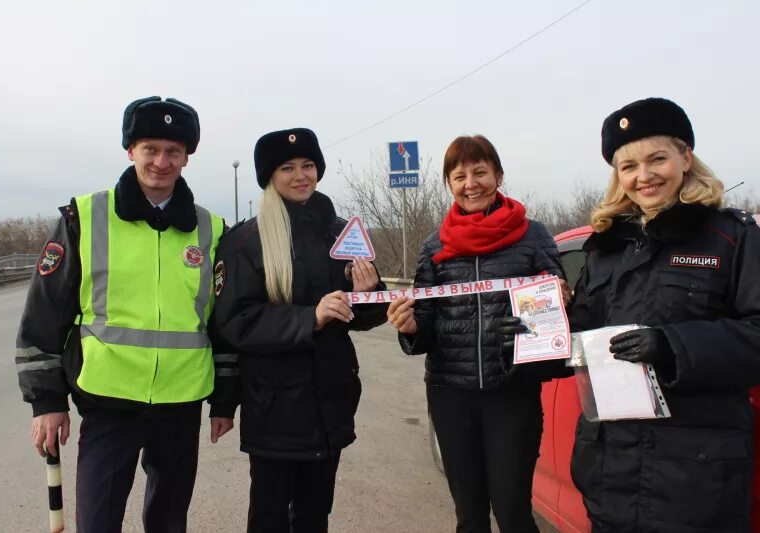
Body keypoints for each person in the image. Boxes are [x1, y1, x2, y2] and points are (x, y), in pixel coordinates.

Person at [15, 96, 231, 533]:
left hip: (179, 402)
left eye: (173, 152)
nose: (161, 161)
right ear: (130, 150)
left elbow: (221, 324)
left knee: (169, 522)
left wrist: (224, 399)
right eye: (150, 148)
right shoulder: (85, 217)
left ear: (187, 157)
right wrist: (47, 401)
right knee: (97, 522)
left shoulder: (211, 230)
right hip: (107, 402)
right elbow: (43, 316)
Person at [567, 97, 760, 532]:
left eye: (657, 159)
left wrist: (673, 347)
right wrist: (531, 333)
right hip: (609, 473)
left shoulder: (732, 238)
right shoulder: (607, 246)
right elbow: (581, 337)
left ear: (686, 157)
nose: (644, 176)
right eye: (628, 166)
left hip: (695, 477)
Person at [208, 127, 388, 532]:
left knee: (314, 515)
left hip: (331, 402)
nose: (300, 175)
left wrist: (369, 293)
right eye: (287, 167)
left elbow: (364, 316)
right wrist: (310, 317)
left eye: (308, 165)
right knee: (269, 517)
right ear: (269, 177)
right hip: (274, 407)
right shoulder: (245, 241)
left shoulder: (342, 234)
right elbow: (235, 321)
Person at [387, 134, 568, 533]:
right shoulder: (433, 245)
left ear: (498, 176)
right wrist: (412, 327)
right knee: (469, 516)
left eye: (480, 172)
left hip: (512, 393)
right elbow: (426, 323)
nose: (471, 183)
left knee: (513, 513)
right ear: (449, 184)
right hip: (451, 395)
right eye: (459, 175)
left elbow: (555, 310)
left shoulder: (533, 235)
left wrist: (538, 315)